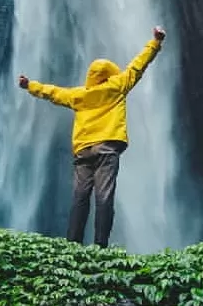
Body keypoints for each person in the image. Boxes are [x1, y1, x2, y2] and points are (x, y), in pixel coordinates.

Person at [18, 26, 167, 248]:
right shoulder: (117, 87)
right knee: (104, 197)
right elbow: (138, 66)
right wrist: (155, 41)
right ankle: (100, 246)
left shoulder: (78, 95)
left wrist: (29, 85)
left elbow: (52, 92)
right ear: (109, 75)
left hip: (83, 151)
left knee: (80, 198)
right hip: (106, 149)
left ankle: (73, 244)